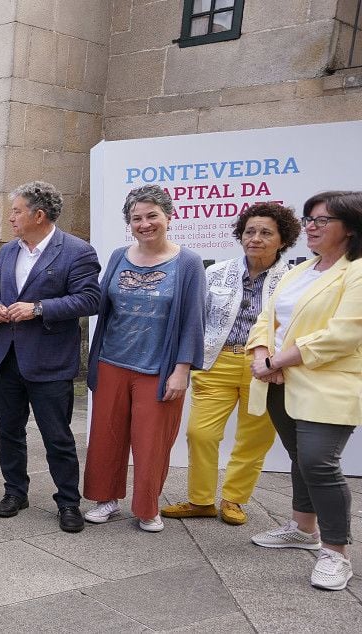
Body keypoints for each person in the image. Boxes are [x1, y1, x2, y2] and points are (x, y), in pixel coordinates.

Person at [246, 191, 362, 591]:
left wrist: (277, 362)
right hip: (280, 382)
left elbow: (343, 335)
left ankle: (335, 551)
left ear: (350, 229)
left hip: (327, 384)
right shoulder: (301, 270)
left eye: (322, 220)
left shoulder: (357, 271)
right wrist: (262, 354)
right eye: (309, 219)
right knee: (300, 456)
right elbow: (267, 316)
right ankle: (302, 528)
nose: (310, 226)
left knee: (319, 462)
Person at [161, 203, 299, 526]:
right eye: (250, 231)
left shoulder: (293, 280)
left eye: (266, 233)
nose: (256, 238)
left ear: (283, 239)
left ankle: (234, 499)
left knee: (254, 439)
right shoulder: (216, 272)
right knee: (200, 433)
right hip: (216, 361)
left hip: (265, 367)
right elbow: (197, 319)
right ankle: (200, 500)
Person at [83, 185, 206, 532]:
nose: (145, 223)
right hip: (111, 360)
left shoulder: (189, 262)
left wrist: (182, 370)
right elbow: (103, 306)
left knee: (152, 442)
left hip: (158, 367)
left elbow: (193, 319)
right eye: (136, 218)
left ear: (169, 216)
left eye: (152, 215)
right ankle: (105, 499)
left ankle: (147, 507)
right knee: (106, 436)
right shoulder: (119, 255)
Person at [0, 182, 100, 532]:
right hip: (8, 358)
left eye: (17, 211)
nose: (11, 217)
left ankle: (68, 502)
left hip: (50, 363)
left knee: (57, 436)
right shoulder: (8, 252)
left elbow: (90, 300)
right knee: (8, 431)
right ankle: (15, 491)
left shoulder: (77, 251)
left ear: (39, 214)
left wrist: (37, 309)